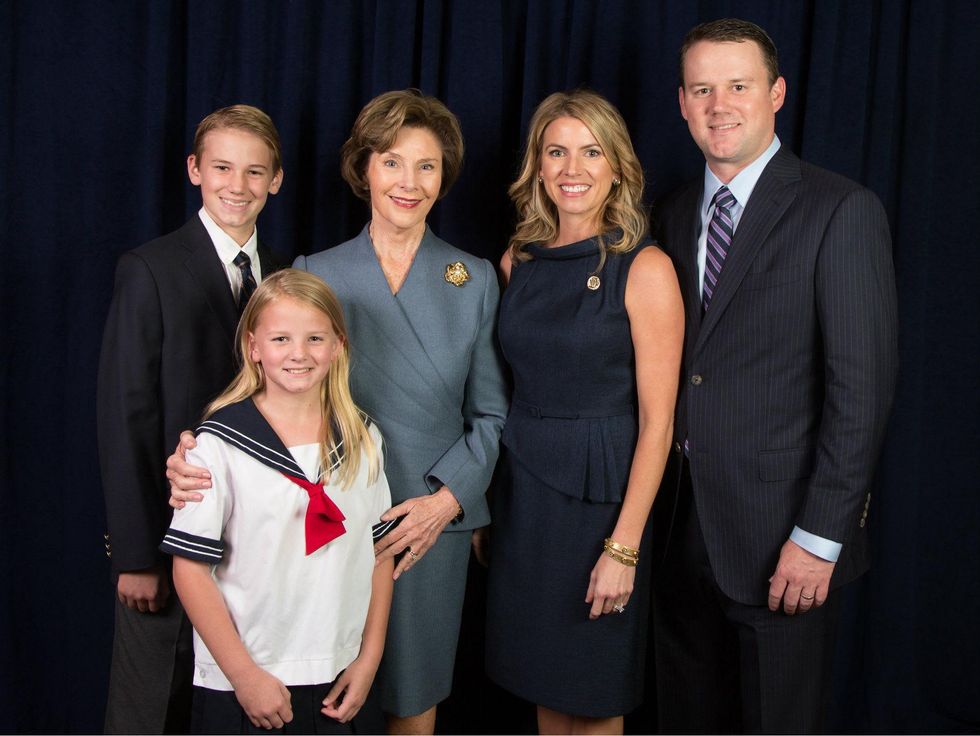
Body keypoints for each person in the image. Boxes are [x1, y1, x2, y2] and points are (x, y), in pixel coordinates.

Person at [168, 89, 508, 735]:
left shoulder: (474, 276)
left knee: (411, 702)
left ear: (445, 177)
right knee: (322, 705)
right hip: (326, 516)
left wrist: (445, 503)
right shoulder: (314, 271)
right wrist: (192, 450)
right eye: (392, 162)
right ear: (365, 169)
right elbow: (265, 389)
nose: (409, 182)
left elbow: (491, 415)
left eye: (427, 166)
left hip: (428, 527)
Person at [652, 18, 899, 733]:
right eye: (703, 88)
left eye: (738, 86)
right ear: (682, 102)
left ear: (777, 93)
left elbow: (862, 392)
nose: (719, 104)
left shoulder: (839, 211)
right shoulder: (668, 213)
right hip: (677, 527)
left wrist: (820, 537)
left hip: (781, 537)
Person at [484, 90, 684, 735]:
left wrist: (622, 548)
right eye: (557, 151)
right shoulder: (519, 261)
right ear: (538, 167)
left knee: (594, 692)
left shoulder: (645, 267)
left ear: (617, 167)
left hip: (602, 508)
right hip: (525, 496)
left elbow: (658, 422)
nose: (574, 167)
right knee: (542, 680)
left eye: (591, 151)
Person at [97, 104, 284, 734]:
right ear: (194, 170)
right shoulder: (148, 268)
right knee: (153, 707)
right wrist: (135, 551)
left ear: (276, 180)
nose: (238, 185)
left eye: (254, 172)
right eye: (223, 168)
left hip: (256, 543)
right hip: (169, 533)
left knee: (231, 707)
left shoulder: (287, 276)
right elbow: (124, 415)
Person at [162, 269, 392, 734]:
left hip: (339, 675)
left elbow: (378, 551)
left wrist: (368, 660)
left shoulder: (364, 439)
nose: (299, 354)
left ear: (338, 346)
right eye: (281, 338)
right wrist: (244, 676)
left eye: (315, 338)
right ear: (254, 348)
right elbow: (189, 569)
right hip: (247, 679)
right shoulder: (217, 446)